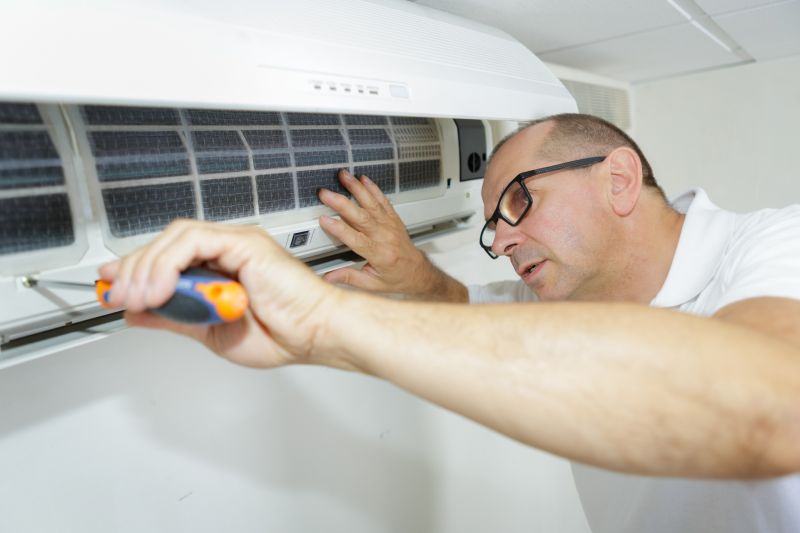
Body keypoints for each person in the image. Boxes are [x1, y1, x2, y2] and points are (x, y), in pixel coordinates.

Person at [100, 114, 800, 533]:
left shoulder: (775, 246)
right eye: (493, 226)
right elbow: (471, 313)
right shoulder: (564, 308)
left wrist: (322, 322)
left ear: (619, 179)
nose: (504, 239)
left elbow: (767, 406)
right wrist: (416, 277)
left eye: (520, 202)